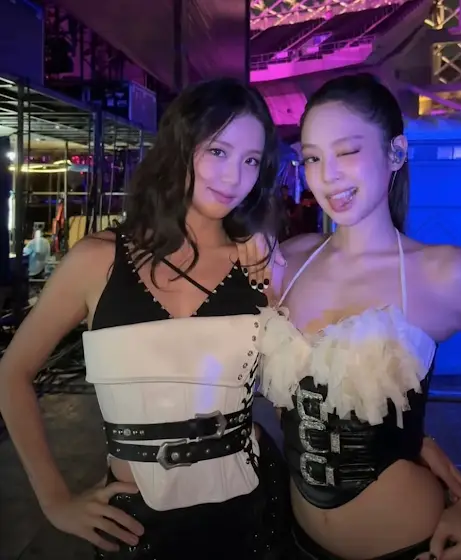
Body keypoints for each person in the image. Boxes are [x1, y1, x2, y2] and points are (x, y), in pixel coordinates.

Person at [257, 74, 461, 560]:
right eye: (312, 157)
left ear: (395, 152)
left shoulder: (445, 273)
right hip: (295, 541)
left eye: (347, 151)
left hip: (410, 546)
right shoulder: (288, 262)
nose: (328, 175)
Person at [0, 78, 292, 560]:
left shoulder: (261, 265)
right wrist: (54, 500)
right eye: (218, 151)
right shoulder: (96, 260)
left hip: (252, 513)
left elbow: (295, 386)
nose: (234, 177)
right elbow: (12, 372)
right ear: (179, 145)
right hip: (136, 525)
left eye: (251, 161)